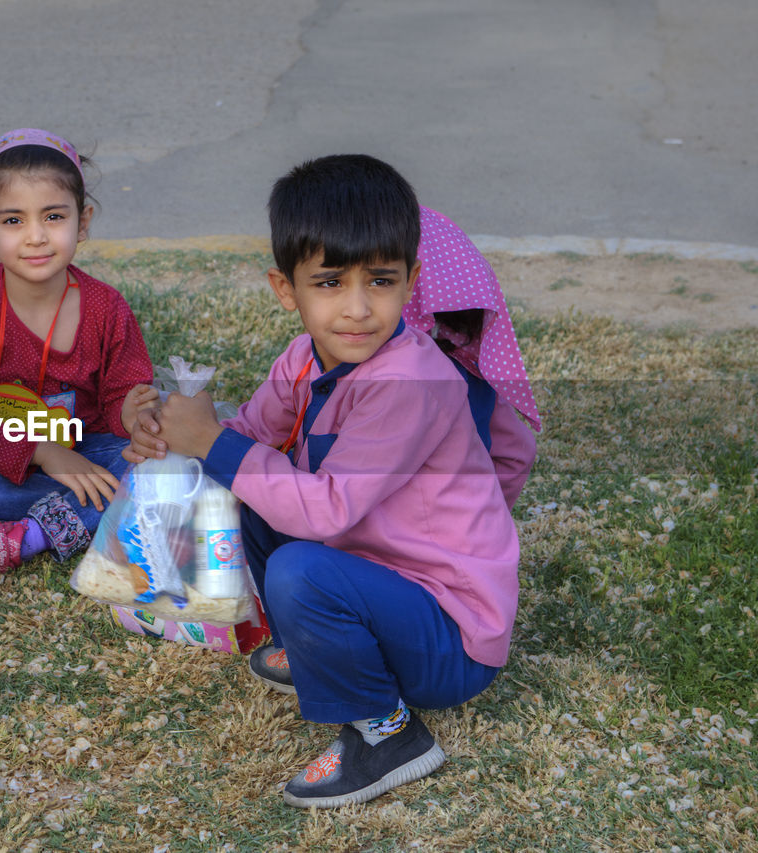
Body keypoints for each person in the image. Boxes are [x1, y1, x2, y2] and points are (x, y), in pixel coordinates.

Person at [126, 155, 519, 808]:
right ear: (287, 289)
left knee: (297, 570)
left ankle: (388, 731)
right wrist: (173, 433)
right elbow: (250, 436)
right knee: (246, 490)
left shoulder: (409, 382)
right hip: (380, 578)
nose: (358, 308)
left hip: (450, 633)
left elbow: (328, 510)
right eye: (331, 282)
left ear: (411, 280)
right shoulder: (305, 357)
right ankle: (310, 649)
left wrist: (215, 444)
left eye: (382, 281)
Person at [0, 128, 155, 580]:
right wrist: (41, 452)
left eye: (53, 216)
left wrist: (132, 414)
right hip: (8, 459)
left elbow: (123, 395)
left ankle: (25, 537)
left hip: (89, 449)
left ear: (82, 221)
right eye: (13, 221)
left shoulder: (106, 307)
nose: (35, 237)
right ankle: (95, 512)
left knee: (157, 463)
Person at [408, 208, 541, 507]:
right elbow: (518, 452)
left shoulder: (359, 373)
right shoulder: (474, 371)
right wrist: (491, 523)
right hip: (464, 538)